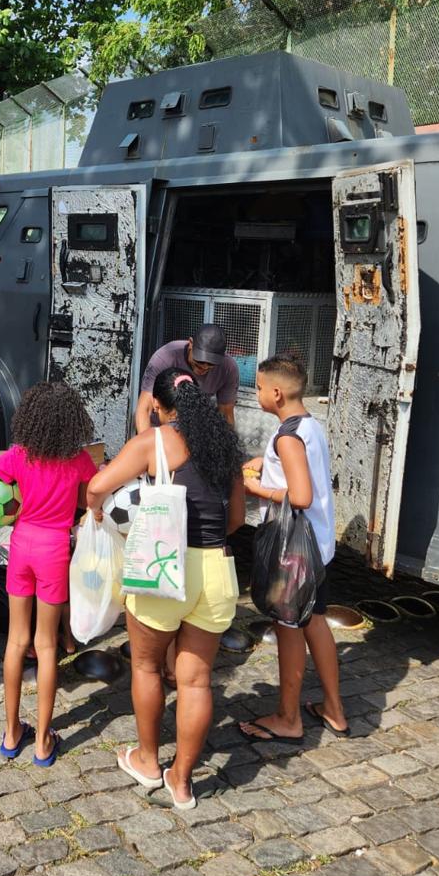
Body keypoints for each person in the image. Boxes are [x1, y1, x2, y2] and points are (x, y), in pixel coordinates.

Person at [88, 369, 244, 809]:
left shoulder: (152, 443)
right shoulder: (225, 447)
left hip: (162, 566)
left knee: (147, 667)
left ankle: (148, 760)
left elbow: (97, 487)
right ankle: (181, 781)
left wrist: (97, 513)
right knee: (195, 682)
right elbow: (235, 521)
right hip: (215, 570)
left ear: (157, 406)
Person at [0, 382, 97, 768]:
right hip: (55, 550)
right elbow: (93, 496)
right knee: (47, 646)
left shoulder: (19, 456)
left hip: (21, 548)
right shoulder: (79, 460)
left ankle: (9, 732)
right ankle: (41, 742)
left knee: (16, 641)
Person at [239, 355, 349, 741]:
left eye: (258, 387)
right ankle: (334, 709)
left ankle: (288, 719)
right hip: (317, 546)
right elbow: (302, 467)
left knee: (288, 629)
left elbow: (300, 495)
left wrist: (257, 488)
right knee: (314, 621)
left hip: (293, 552)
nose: (256, 394)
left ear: (276, 392)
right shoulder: (309, 426)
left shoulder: (286, 436)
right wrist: (265, 464)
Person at [135, 324, 239, 432]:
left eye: (211, 364)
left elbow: (226, 414)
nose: (204, 367)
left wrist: (227, 447)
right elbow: (145, 409)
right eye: (200, 361)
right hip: (157, 428)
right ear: (190, 343)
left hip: (193, 432)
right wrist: (146, 443)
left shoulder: (228, 367)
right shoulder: (165, 357)